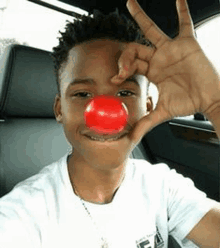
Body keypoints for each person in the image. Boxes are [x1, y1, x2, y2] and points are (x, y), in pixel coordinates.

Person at [1, 0, 220, 247]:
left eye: (125, 93)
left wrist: (215, 103)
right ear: (59, 108)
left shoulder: (162, 187)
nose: (105, 113)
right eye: (82, 94)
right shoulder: (24, 214)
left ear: (147, 106)